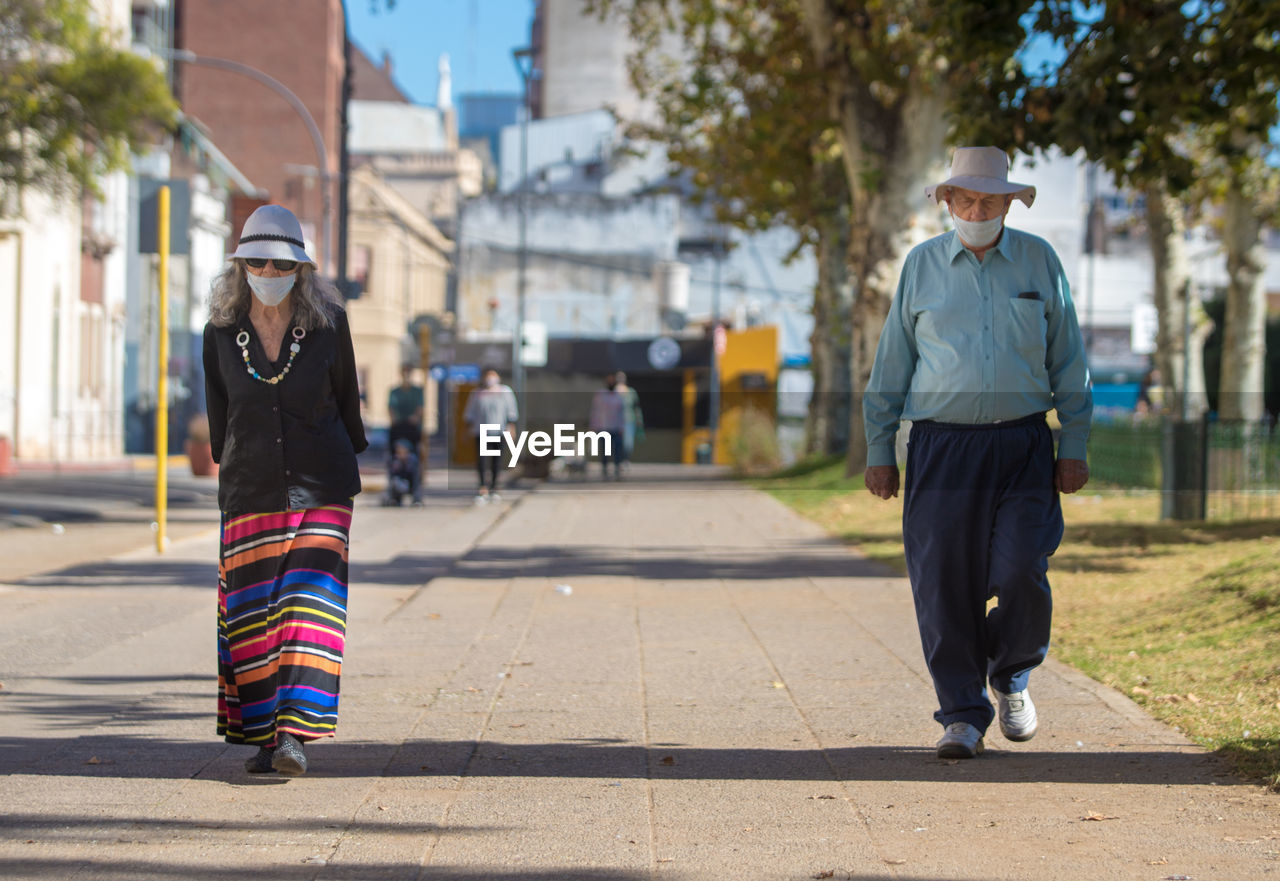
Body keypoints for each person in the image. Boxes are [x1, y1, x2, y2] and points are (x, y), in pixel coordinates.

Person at [863, 147, 1093, 760]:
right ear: (947, 202)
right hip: (942, 447)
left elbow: (1068, 357)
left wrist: (1073, 443)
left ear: (1010, 203)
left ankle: (1011, 675)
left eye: (990, 199)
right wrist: (879, 446)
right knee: (943, 585)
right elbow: (893, 361)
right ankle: (962, 714)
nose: (977, 208)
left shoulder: (1040, 261)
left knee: (1022, 570)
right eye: (965, 198)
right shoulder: (921, 265)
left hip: (1022, 443)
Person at [202, 204, 367, 777]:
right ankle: (265, 734)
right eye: (258, 261)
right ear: (241, 266)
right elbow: (220, 419)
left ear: (301, 269)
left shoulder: (328, 327)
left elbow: (347, 402)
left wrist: (352, 461)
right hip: (249, 489)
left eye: (281, 262)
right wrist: (235, 475)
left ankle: (293, 733)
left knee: (307, 610)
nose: (269, 271)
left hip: (322, 486)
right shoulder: (220, 334)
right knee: (249, 615)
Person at [462, 367, 517, 502]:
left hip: (499, 431)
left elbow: (511, 411)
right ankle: (482, 487)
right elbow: (470, 412)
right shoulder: (478, 393)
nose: (490, 379)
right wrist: (467, 428)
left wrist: (511, 427)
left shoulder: (505, 392)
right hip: (481, 431)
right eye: (488, 376)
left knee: (496, 461)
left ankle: (494, 486)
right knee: (482, 461)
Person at [589, 373, 626, 480]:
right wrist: (593, 426)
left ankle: (617, 468)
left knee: (617, 450)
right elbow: (595, 411)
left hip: (616, 428)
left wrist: (622, 427)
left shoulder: (619, 396)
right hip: (603, 427)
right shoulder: (600, 395)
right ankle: (604, 469)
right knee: (605, 450)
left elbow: (621, 413)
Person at [387, 364, 425, 458]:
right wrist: (394, 420)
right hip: (399, 426)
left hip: (412, 427)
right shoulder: (394, 391)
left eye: (408, 372)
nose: (406, 375)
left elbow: (420, 408)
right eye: (404, 372)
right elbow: (391, 408)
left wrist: (415, 418)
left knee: (415, 446)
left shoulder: (417, 391)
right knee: (393, 441)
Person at [613, 371, 645, 469]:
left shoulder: (631, 392)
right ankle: (618, 462)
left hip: (629, 421)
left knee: (628, 443)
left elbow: (636, 407)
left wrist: (639, 420)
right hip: (615, 422)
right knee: (617, 444)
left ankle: (625, 460)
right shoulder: (613, 392)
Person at [384, 438, 423, 507]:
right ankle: (394, 500)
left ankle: (416, 500)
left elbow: (415, 476)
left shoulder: (412, 460)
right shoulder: (394, 460)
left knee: (416, 485)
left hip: (410, 482)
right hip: (398, 483)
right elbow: (391, 476)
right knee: (394, 483)